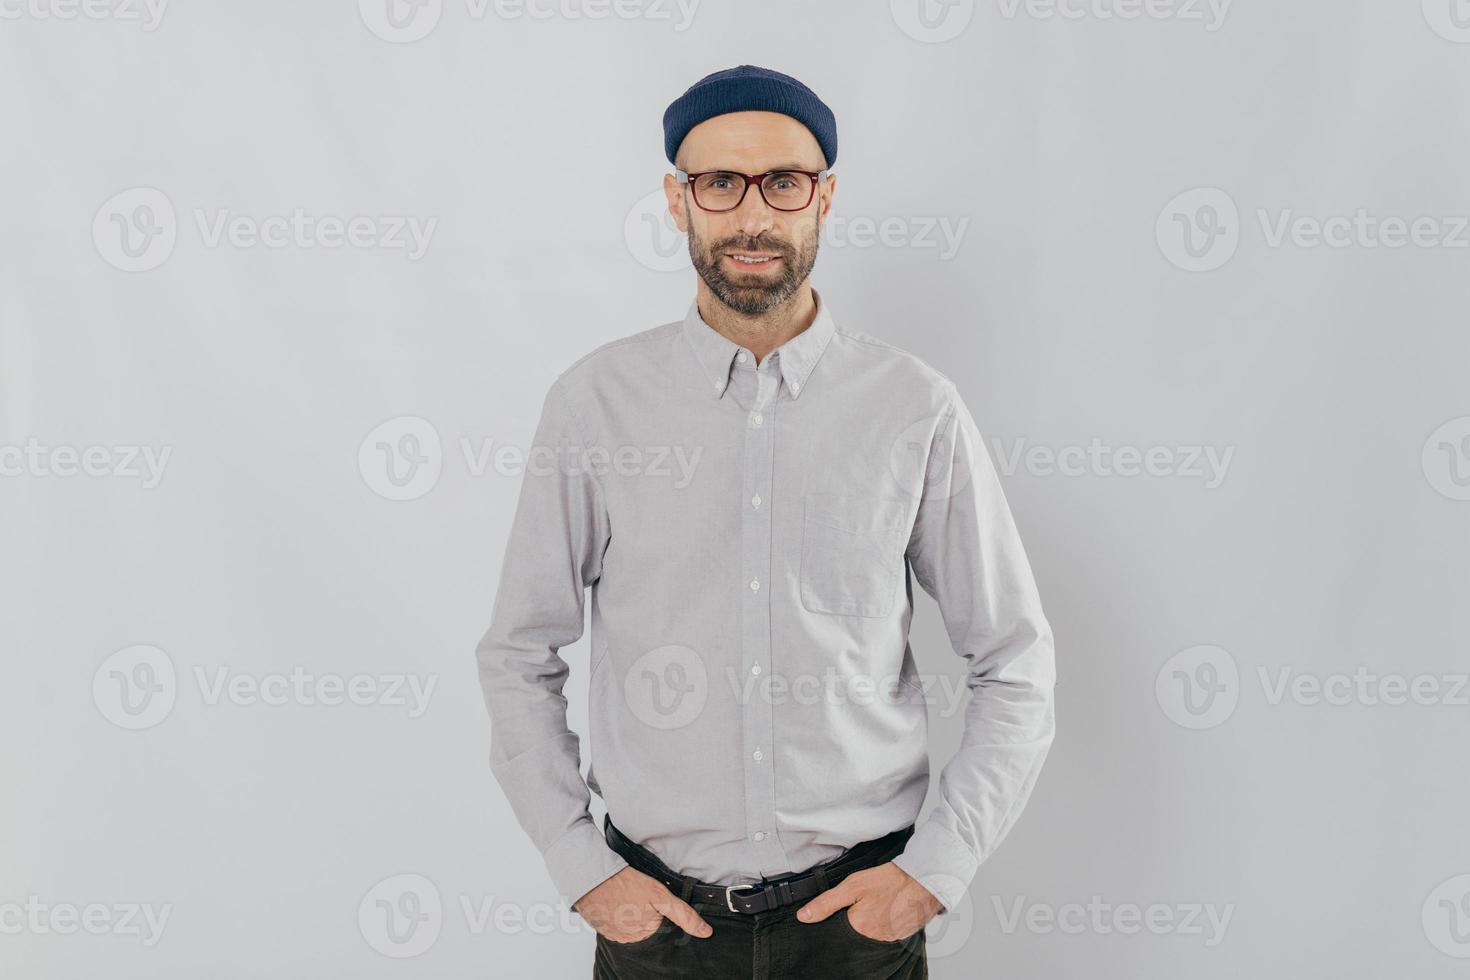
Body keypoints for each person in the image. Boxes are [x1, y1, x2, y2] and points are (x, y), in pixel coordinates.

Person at [476, 64, 1057, 979]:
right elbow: (518, 653)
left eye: (783, 183)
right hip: (658, 929)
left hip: (857, 929)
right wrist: (581, 870)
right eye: (720, 183)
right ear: (679, 201)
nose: (753, 216)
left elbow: (1014, 659)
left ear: (824, 197)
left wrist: (932, 874)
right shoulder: (596, 404)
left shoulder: (914, 407)